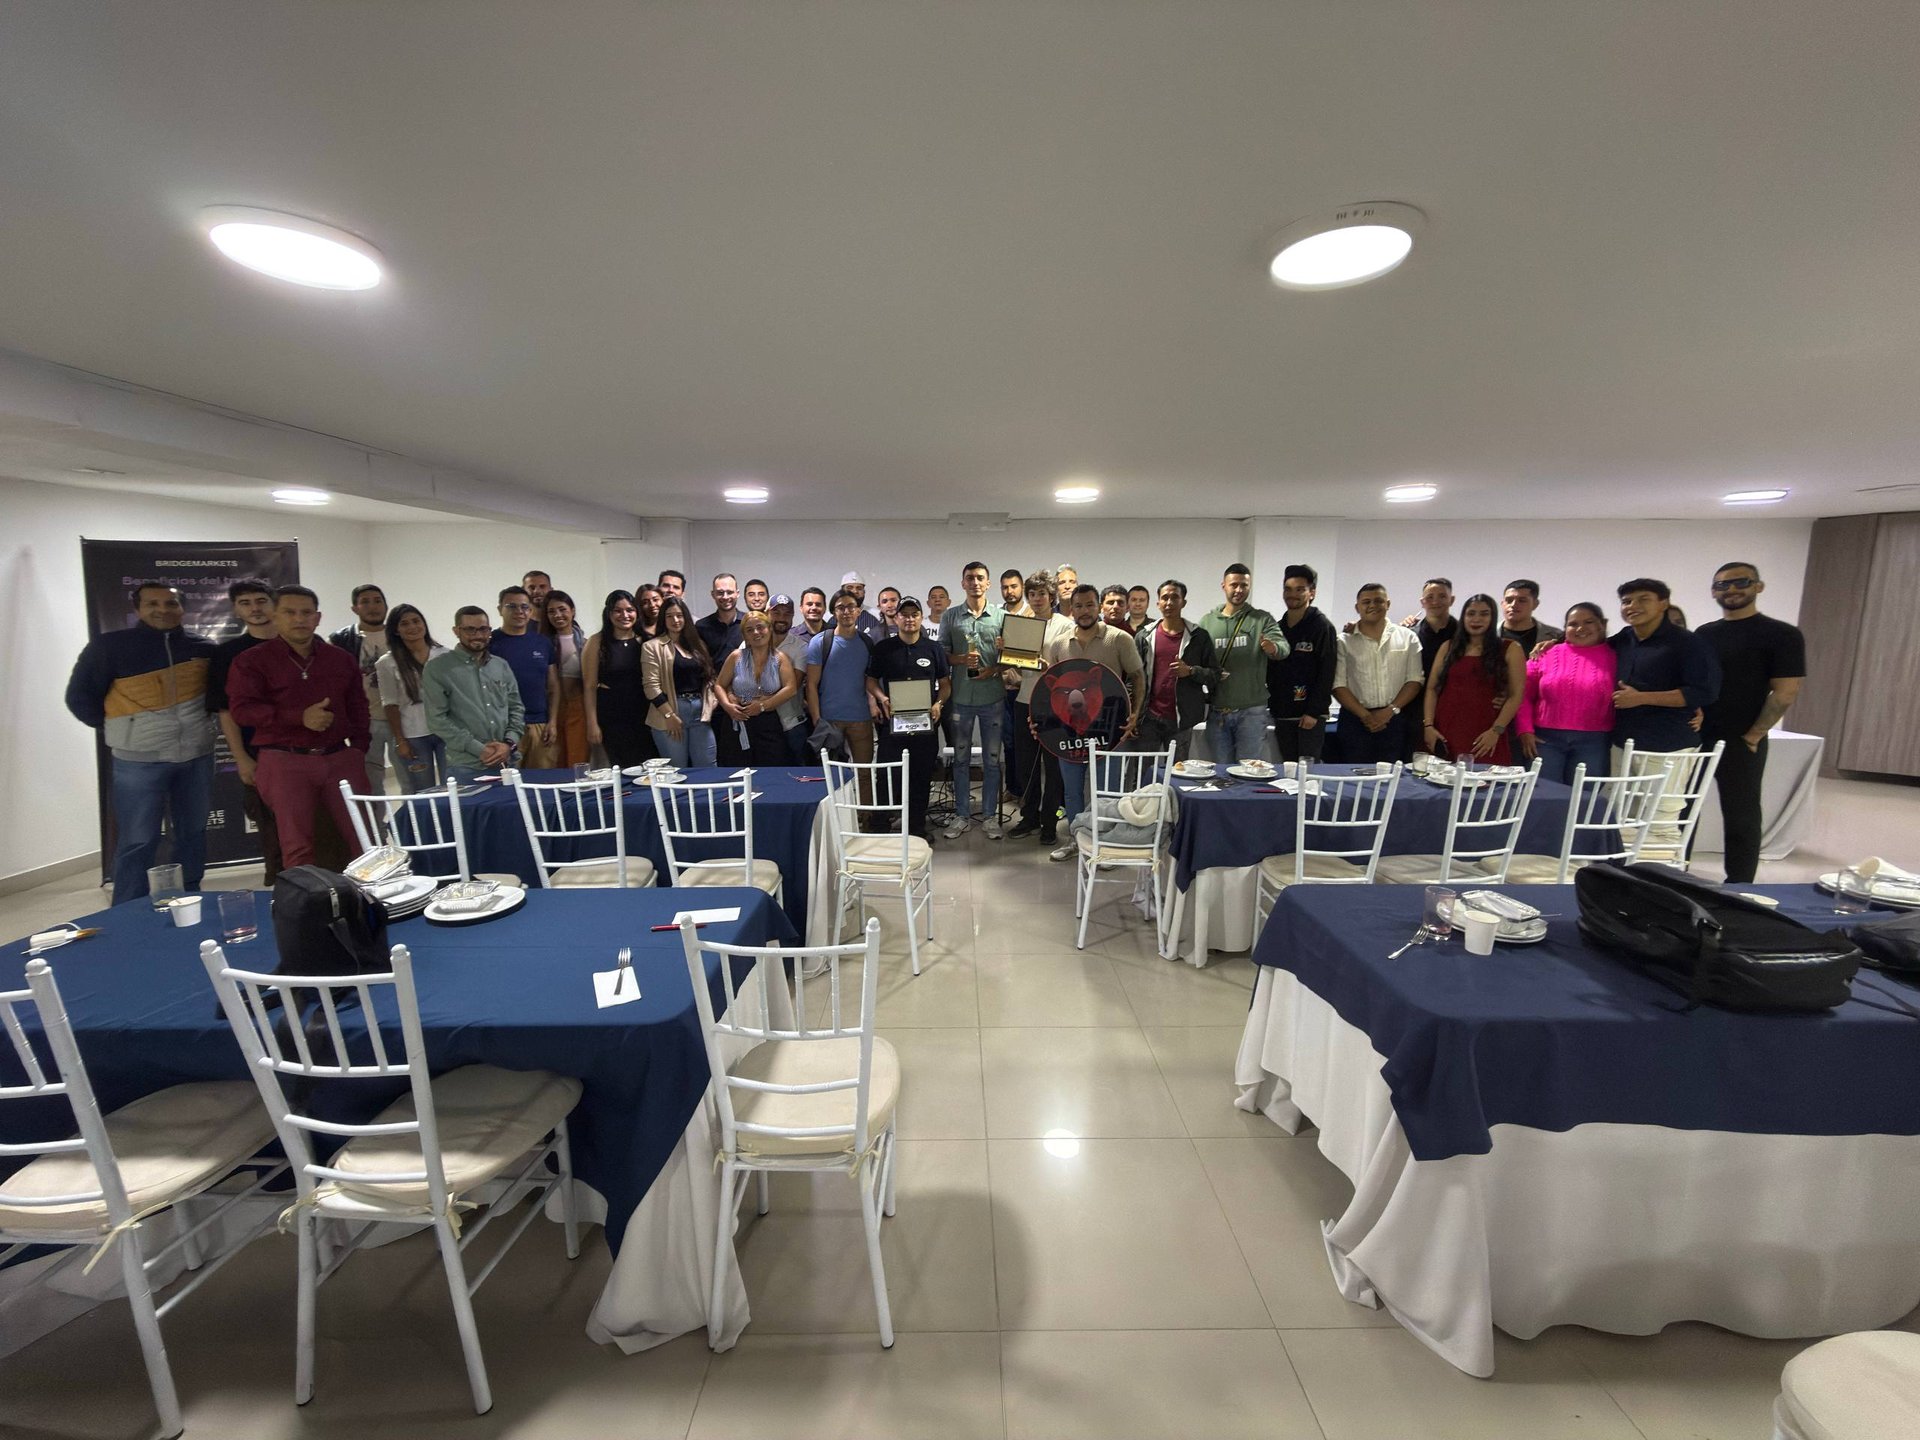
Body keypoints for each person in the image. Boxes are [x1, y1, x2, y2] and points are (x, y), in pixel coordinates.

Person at [65, 582, 219, 904]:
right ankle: (128, 909)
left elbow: (216, 699)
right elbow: (79, 697)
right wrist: (123, 729)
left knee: (192, 834)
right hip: (138, 762)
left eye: (171, 604)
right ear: (137, 609)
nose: (162, 609)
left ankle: (189, 898)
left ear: (182, 609)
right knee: (137, 839)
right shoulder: (109, 647)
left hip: (196, 757)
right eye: (153, 603)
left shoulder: (204, 647)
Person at [226, 586, 370, 869]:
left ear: (317, 618)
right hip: (285, 760)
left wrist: (359, 750)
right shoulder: (252, 661)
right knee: (296, 846)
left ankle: (372, 904)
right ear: (275, 616)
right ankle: (307, 907)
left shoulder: (339, 658)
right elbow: (242, 710)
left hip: (340, 757)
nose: (298, 619)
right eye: (289, 613)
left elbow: (358, 707)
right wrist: (298, 718)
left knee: (364, 838)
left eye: (306, 613)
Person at [1696, 562, 1805, 884]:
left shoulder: (1782, 634)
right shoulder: (1705, 634)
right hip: (1695, 735)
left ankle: (1739, 887)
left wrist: (1755, 733)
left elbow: (1785, 692)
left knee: (1741, 814)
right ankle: (1677, 874)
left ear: (1758, 586)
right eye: (1721, 585)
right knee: (1683, 810)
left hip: (1742, 738)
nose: (1730, 590)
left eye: (1740, 582)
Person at [1610, 577, 1722, 854]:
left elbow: (1704, 692)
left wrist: (1640, 699)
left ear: (1663, 603)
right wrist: (1551, 645)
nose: (1633, 606)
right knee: (1621, 818)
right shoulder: (1623, 639)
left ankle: (1664, 882)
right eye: (1627, 601)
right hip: (1622, 742)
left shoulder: (1688, 643)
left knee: (1660, 821)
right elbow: (1583, 646)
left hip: (1667, 745)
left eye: (1643, 599)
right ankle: (1622, 881)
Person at [1040, 584, 1146, 861]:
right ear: (1070, 609)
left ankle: (1106, 847)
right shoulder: (1059, 643)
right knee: (1072, 791)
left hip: (1110, 730)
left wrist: (1134, 713)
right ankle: (1077, 841)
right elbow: (1051, 690)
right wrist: (1041, 723)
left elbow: (1138, 676)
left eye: (1089, 605)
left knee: (1107, 793)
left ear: (1098, 606)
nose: (1084, 611)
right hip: (1069, 731)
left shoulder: (1119, 639)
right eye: (1078, 606)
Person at [207, 579, 283, 882]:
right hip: (257, 751)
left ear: (274, 603)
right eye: (246, 603)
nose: (255, 608)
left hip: (306, 751)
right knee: (270, 825)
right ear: (236, 610)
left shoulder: (301, 643)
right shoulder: (227, 654)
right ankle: (282, 886)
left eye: (261, 600)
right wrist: (241, 758)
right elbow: (226, 711)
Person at [867, 597, 952, 840]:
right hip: (892, 725)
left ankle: (916, 827)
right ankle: (881, 826)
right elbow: (871, 682)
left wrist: (939, 704)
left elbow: (946, 685)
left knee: (921, 775)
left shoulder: (933, 649)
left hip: (924, 725)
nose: (909, 619)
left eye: (914, 614)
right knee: (886, 774)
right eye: (904, 614)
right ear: (896, 618)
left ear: (920, 617)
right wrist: (882, 698)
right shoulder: (883, 648)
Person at [939, 560, 1008, 839]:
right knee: (961, 759)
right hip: (961, 699)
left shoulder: (1001, 617)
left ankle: (990, 817)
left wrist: (997, 666)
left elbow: (1014, 656)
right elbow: (941, 654)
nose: (975, 582)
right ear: (963, 583)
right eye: (970, 578)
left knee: (992, 760)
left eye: (980, 578)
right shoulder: (950, 616)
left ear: (988, 583)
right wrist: (959, 659)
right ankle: (962, 815)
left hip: (993, 697)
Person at [1006, 570, 1075, 845]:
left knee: (1053, 765)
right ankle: (1029, 816)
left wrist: (1049, 667)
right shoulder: (1022, 622)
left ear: (1051, 596)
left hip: (1053, 704)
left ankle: (1049, 821)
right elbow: (1014, 663)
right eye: (1032, 594)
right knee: (1026, 765)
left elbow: (1069, 664)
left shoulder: (1063, 625)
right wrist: (1007, 651)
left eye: (1042, 594)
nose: (1036, 599)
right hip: (1024, 699)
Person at [1198, 563, 1288, 766]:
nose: (1239, 590)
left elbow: (1283, 647)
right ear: (1224, 586)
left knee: (1248, 770)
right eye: (1234, 585)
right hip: (1217, 711)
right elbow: (1197, 659)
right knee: (1221, 770)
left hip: (1252, 712)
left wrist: (1273, 648)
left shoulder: (1261, 619)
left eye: (1244, 585)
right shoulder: (1207, 622)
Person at [423, 606, 525, 782]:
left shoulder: (501, 666)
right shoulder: (438, 668)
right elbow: (437, 720)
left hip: (507, 763)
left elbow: (516, 708)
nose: (478, 635)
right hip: (466, 765)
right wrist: (479, 749)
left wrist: (508, 744)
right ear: (456, 631)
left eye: (483, 629)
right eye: (470, 629)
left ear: (489, 631)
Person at [1422, 594, 1528, 763]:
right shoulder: (1448, 647)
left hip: (1486, 732)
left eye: (1484, 614)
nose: (1476, 619)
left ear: (1493, 617)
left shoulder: (1510, 648)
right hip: (1445, 729)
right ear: (1463, 617)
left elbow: (1516, 695)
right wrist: (1428, 726)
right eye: (1471, 613)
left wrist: (1496, 730)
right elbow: (1432, 688)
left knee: (1485, 783)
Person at [1518, 603, 1616, 784]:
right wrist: (1525, 730)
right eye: (1573, 624)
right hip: (1545, 739)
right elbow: (1522, 694)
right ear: (1565, 628)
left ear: (1601, 624)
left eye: (1588, 622)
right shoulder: (1545, 654)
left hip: (1594, 741)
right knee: (1542, 795)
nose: (1580, 628)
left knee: (1585, 799)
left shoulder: (1617, 656)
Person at [1328, 583, 1425, 763]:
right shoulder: (1343, 641)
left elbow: (1414, 681)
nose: (1372, 605)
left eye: (1378, 601)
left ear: (1388, 604)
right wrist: (1365, 716)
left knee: (1392, 781)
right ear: (1357, 607)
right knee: (1353, 780)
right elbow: (1338, 684)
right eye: (1366, 602)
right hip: (1354, 722)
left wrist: (1389, 711)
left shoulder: (1408, 637)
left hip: (1394, 720)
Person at [1134, 579, 1217, 761]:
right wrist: (1134, 714)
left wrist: (1191, 671)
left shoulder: (1198, 637)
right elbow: (1134, 678)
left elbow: (1215, 674)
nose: (1169, 602)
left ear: (1183, 602)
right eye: (1165, 598)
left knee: (1178, 775)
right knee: (1144, 776)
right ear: (1158, 603)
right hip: (1149, 718)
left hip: (1182, 720)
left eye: (1174, 597)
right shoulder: (1144, 636)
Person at [375, 603, 451, 792]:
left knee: (452, 785)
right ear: (396, 631)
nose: (412, 627)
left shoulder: (445, 655)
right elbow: (389, 703)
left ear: (424, 625)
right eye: (404, 624)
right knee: (423, 790)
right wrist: (400, 740)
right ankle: (428, 823)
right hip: (413, 736)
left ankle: (451, 822)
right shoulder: (387, 663)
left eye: (416, 621)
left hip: (446, 732)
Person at [328, 583, 394, 793]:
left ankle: (412, 826)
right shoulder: (340, 640)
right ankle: (377, 826)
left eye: (377, 601)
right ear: (355, 608)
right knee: (370, 781)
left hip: (402, 719)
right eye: (365, 602)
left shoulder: (400, 634)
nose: (372, 606)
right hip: (365, 720)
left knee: (409, 777)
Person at [1269, 564, 1338, 763]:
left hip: (1309, 716)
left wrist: (1314, 712)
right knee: (1288, 768)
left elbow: (1327, 671)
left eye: (1300, 589)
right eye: (1288, 589)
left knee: (1308, 771)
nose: (1293, 595)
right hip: (1283, 713)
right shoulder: (1278, 628)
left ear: (1311, 593)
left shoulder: (1321, 626)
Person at [715, 608, 801, 765]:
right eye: (749, 630)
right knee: (737, 771)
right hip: (738, 719)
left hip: (768, 722)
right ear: (745, 635)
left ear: (769, 629)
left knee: (771, 768)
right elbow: (719, 685)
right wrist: (728, 706)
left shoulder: (780, 658)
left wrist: (762, 706)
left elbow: (791, 688)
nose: (756, 632)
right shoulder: (736, 657)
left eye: (760, 627)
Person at [807, 589, 881, 766]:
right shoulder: (820, 642)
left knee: (865, 774)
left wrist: (874, 704)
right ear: (833, 612)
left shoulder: (867, 642)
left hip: (861, 720)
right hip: (830, 721)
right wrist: (817, 720)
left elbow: (869, 680)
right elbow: (811, 684)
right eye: (841, 607)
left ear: (858, 611)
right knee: (831, 778)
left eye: (851, 607)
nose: (846, 611)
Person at [643, 596, 719, 767]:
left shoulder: (697, 645)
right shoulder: (652, 646)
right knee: (677, 770)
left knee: (708, 766)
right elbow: (651, 686)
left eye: (679, 615)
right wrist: (669, 715)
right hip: (670, 713)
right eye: (669, 616)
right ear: (663, 619)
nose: (675, 620)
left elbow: (709, 677)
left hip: (700, 714)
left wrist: (712, 702)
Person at [582, 590, 655, 767]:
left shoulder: (646, 640)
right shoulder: (597, 642)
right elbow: (590, 687)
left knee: (648, 765)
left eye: (630, 610)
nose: (625, 615)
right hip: (612, 714)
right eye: (618, 611)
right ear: (609, 613)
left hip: (644, 713)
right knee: (622, 766)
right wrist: (592, 724)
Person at [491, 585, 559, 768]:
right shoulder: (490, 644)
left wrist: (552, 722)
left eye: (524, 607)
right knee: (508, 786)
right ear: (500, 609)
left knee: (543, 785)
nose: (519, 611)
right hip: (504, 729)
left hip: (540, 725)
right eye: (511, 606)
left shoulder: (542, 642)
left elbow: (553, 687)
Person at [697, 574, 747, 765]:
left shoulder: (748, 624)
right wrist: (722, 695)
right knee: (720, 755)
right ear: (713, 595)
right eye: (720, 592)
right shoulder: (701, 627)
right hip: (714, 701)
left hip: (745, 698)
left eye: (729, 592)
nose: (725, 596)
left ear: (737, 593)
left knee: (744, 754)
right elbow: (701, 665)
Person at [540, 590, 590, 765]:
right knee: (554, 760)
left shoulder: (585, 643)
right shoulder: (541, 643)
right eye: (551, 611)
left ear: (572, 610)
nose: (557, 615)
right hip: (550, 709)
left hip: (579, 707)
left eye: (562, 609)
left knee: (578, 760)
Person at [770, 594, 817, 761]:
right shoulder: (751, 642)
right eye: (776, 613)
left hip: (792, 724)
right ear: (768, 613)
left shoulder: (800, 647)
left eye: (787, 614)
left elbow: (792, 687)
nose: (782, 618)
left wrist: (760, 704)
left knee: (801, 775)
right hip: (761, 726)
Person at [1499, 579, 1563, 655]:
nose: (1513, 605)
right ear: (1502, 603)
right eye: (1509, 600)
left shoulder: (1555, 636)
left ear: (1535, 604)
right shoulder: (1487, 634)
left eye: (1522, 600)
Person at [1410, 578, 1458, 672]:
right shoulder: (1412, 635)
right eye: (1430, 597)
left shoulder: (1464, 633)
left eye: (1442, 596)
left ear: (1451, 600)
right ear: (1422, 602)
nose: (1435, 602)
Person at [841, 571, 887, 643]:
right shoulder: (830, 616)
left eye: (859, 588)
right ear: (841, 591)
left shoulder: (877, 615)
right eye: (850, 588)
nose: (855, 591)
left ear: (864, 592)